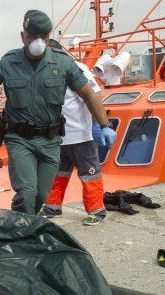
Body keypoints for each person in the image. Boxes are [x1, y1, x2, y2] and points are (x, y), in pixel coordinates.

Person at [0, 10, 116, 215]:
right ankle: (22, 236)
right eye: (33, 36)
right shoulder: (9, 62)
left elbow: (88, 93)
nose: (39, 42)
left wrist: (103, 125)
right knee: (26, 192)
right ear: (23, 36)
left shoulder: (63, 62)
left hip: (50, 140)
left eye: (44, 36)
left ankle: (25, 225)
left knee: (41, 195)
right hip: (19, 139)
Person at [40, 39, 111, 226]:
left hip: (81, 134)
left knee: (89, 174)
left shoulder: (77, 68)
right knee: (56, 173)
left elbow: (94, 95)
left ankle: (97, 210)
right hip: (57, 136)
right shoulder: (42, 73)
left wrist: (102, 125)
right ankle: (52, 207)